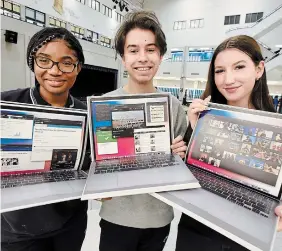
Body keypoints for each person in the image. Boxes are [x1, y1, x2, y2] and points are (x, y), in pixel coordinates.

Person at [176, 35, 282, 250]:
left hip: (247, 233)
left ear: (259, 69)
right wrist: (194, 138)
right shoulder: (202, 118)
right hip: (197, 228)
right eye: (220, 71)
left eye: (239, 67)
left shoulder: (276, 127)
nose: (228, 79)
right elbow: (190, 175)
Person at [98, 11, 188, 251]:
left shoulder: (174, 107)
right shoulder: (103, 105)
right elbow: (94, 164)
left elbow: (182, 171)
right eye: (133, 50)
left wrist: (179, 158)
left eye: (150, 49)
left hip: (158, 218)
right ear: (123, 57)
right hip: (116, 217)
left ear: (160, 55)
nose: (143, 58)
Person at [1, 27, 89, 251]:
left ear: (78, 68)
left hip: (70, 226)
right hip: (17, 232)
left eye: (66, 62)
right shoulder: (7, 104)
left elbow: (91, 166)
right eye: (44, 61)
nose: (55, 71)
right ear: (33, 63)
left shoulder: (87, 114)